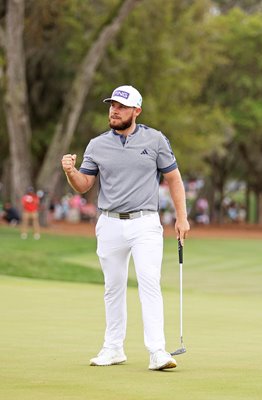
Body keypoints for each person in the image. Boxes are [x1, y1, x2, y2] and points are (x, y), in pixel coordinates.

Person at [61, 85, 190, 371]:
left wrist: (182, 217)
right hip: (108, 223)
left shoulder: (155, 139)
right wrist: (71, 172)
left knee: (148, 283)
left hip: (145, 222)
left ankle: (157, 351)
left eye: (121, 106)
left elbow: (174, 179)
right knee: (113, 287)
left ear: (136, 111)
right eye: (112, 105)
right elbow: (84, 186)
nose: (114, 110)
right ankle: (113, 348)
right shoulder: (96, 145)